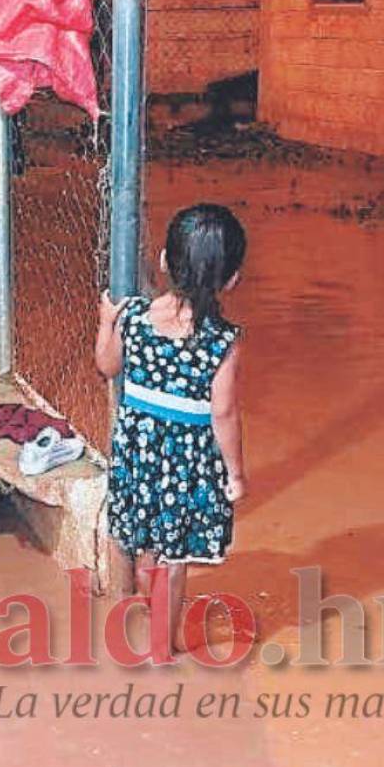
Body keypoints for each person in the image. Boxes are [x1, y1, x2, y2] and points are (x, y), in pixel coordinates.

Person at [94, 203, 247, 652]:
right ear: (232, 279)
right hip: (186, 467)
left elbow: (107, 367)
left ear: (163, 261)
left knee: (124, 534)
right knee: (173, 558)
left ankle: (119, 625)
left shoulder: (135, 318)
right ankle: (163, 649)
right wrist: (234, 475)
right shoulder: (223, 341)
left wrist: (106, 324)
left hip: (134, 455)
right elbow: (224, 413)